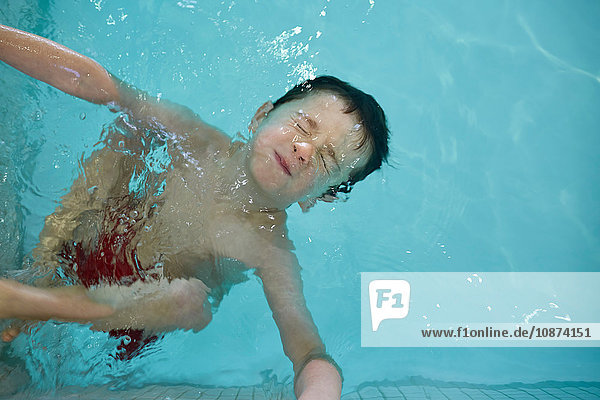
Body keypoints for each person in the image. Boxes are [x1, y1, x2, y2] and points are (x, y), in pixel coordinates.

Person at [0, 24, 389, 399]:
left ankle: (29, 302)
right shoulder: (193, 136)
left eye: (326, 160)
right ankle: (42, 270)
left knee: (193, 304)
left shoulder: (270, 251)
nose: (304, 150)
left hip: (130, 314)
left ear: (319, 197)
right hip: (85, 242)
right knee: (133, 125)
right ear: (260, 116)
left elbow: (307, 352)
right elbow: (98, 84)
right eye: (303, 126)